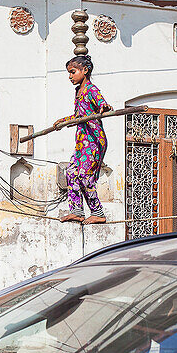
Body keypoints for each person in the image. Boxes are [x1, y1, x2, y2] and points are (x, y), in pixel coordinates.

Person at [57, 54, 112, 225]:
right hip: (82, 140)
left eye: (73, 72)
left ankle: (97, 212)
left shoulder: (91, 89)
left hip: (94, 140)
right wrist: (63, 121)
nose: (70, 76)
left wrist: (104, 107)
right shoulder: (78, 91)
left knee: (85, 176)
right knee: (71, 172)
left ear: (85, 70)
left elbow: (102, 104)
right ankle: (77, 211)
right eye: (69, 73)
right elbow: (78, 116)